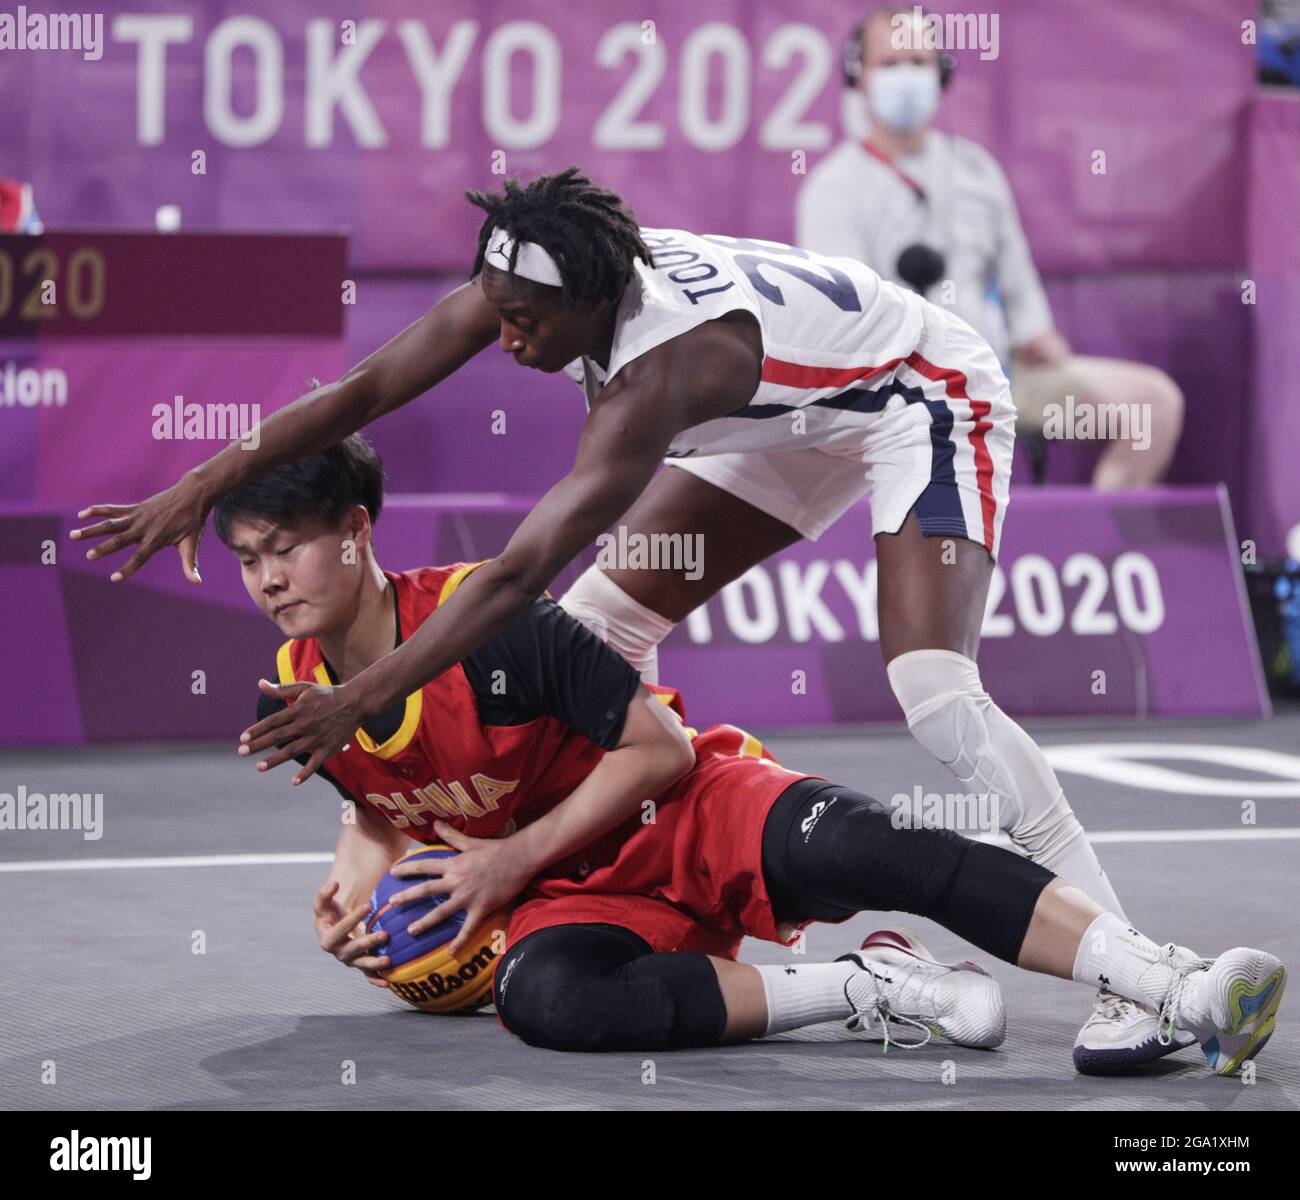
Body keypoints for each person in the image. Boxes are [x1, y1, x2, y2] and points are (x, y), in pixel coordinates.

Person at [74, 167, 1167, 1070]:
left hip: (917, 393)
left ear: (590, 306)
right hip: (789, 422)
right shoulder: (531, 276)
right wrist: (207, 478)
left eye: (522, 326)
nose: (501, 341)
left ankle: (1131, 965)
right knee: (593, 639)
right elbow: (362, 390)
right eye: (494, 312)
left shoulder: (662, 375)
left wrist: (355, 701)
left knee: (933, 688)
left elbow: (510, 584)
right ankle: (587, 881)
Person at [214, 436, 1282, 1066]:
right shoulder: (301, 692)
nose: (269, 577)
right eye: (250, 557)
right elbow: (375, 804)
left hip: (675, 808)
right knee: (548, 1006)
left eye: (288, 546)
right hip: (564, 895)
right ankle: (867, 988)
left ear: (356, 530)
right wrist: (348, 893)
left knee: (877, 848)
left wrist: (499, 861)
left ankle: (1171, 983)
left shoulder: (491, 618)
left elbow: (658, 749)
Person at [797, 5, 1184, 489]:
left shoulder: (976, 169)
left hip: (1000, 378)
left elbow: (1017, 278)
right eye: (890, 63)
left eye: (918, 62)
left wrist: (1035, 331)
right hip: (894, 392)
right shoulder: (832, 187)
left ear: (941, 74)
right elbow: (847, 318)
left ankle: (1094, 551)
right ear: (859, 75)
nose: (906, 75)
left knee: (1151, 407)